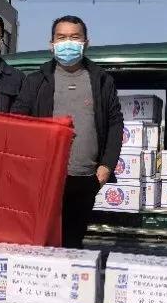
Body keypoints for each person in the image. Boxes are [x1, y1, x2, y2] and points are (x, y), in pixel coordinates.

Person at [12, 15, 124, 248]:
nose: (68, 43)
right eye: (61, 37)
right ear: (51, 44)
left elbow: (115, 123)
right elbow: (18, 122)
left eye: (74, 37)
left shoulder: (101, 80)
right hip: (45, 178)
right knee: (41, 242)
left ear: (86, 43)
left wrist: (106, 167)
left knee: (73, 243)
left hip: (85, 178)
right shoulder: (36, 81)